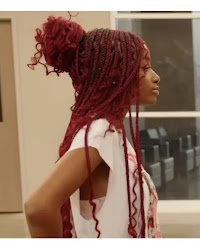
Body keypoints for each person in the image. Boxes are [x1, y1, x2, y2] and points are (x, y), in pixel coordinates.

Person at [22, 14, 162, 238]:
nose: (155, 77)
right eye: (144, 69)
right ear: (116, 76)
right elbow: (38, 207)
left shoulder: (111, 131)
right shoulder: (99, 133)